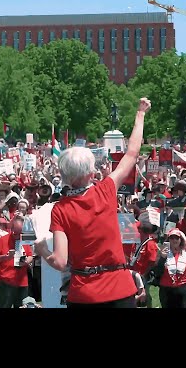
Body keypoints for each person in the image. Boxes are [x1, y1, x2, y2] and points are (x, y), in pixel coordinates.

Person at [34, 97, 152, 308]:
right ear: (90, 172)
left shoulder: (60, 209)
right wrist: (140, 114)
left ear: (63, 174)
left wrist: (42, 249)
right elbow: (132, 154)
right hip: (119, 289)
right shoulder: (106, 190)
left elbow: (60, 262)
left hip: (84, 294)